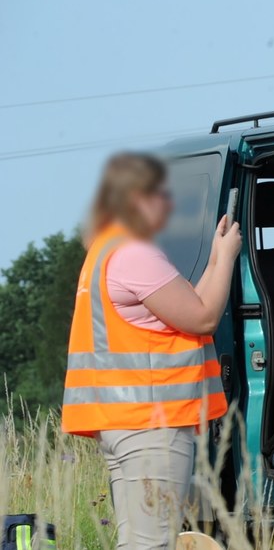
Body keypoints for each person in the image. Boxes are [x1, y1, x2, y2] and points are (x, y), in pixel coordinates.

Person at [62, 152, 241, 550]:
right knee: (155, 543)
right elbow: (203, 318)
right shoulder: (135, 255)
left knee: (138, 543)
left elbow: (186, 306)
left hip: (121, 422)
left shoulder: (105, 252)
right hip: (152, 424)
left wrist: (214, 256)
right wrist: (228, 258)